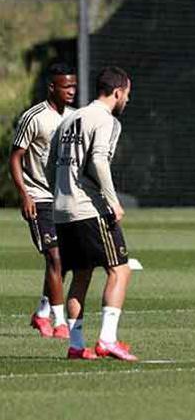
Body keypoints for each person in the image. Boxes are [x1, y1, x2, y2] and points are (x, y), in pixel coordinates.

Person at [48, 66, 137, 361]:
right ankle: (107, 340)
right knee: (119, 270)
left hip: (62, 210)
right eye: (127, 94)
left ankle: (75, 345)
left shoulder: (70, 118)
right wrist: (112, 201)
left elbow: (50, 164)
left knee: (81, 275)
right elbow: (98, 160)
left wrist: (61, 194)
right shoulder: (106, 120)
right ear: (117, 92)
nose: (127, 100)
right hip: (89, 208)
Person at [8, 62, 76, 339]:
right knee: (55, 258)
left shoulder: (73, 117)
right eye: (66, 86)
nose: (71, 91)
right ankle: (60, 323)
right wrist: (24, 194)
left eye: (74, 85)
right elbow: (15, 157)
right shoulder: (34, 117)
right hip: (39, 197)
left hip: (66, 199)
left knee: (64, 262)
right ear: (52, 87)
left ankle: (42, 313)